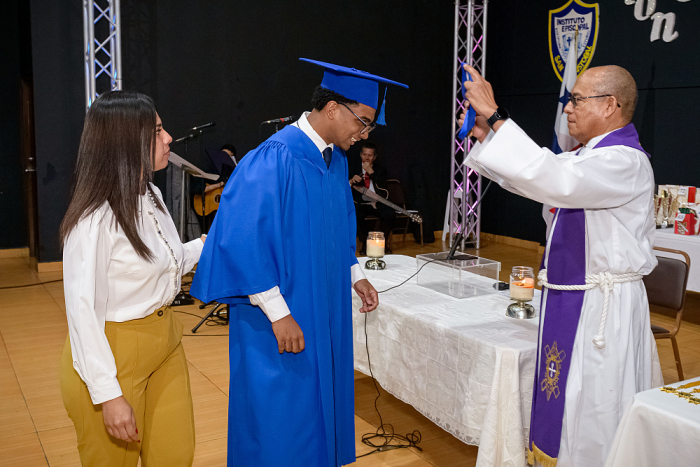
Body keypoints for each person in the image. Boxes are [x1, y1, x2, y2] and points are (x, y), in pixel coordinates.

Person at [190, 58, 407, 466]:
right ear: (333, 109)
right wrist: (278, 313)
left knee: (318, 409)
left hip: (322, 309)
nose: (364, 135)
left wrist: (355, 275)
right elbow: (243, 242)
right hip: (280, 315)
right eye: (362, 122)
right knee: (282, 422)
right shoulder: (274, 157)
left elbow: (338, 230)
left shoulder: (334, 160)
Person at [459, 64, 663, 467]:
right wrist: (488, 137)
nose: (567, 107)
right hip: (575, 298)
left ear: (610, 105)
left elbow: (557, 180)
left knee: (597, 404)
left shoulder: (625, 160)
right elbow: (541, 182)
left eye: (577, 99)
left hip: (603, 307)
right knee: (571, 397)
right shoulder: (587, 157)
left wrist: (497, 117)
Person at [59, 91, 205, 466]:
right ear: (125, 141)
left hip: (165, 342)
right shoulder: (93, 219)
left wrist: (206, 244)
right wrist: (107, 394)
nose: (168, 138)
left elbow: (165, 264)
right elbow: (82, 313)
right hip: (112, 354)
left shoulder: (151, 194)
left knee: (176, 456)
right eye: (156, 131)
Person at [349, 142, 396, 254]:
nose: (366, 158)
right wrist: (351, 181)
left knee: (390, 213)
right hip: (360, 203)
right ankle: (365, 244)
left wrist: (371, 173)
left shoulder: (380, 170)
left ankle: (381, 243)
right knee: (355, 214)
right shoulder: (352, 168)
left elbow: (383, 187)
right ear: (360, 154)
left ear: (374, 157)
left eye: (369, 155)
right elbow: (343, 186)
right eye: (364, 154)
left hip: (376, 202)